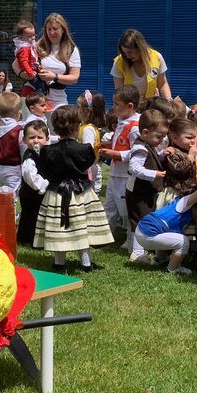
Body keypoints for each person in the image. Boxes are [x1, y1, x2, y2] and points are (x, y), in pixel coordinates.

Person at [33, 105, 114, 271]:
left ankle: (59, 263)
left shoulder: (47, 151)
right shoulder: (85, 149)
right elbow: (88, 164)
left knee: (59, 228)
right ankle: (86, 263)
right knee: (82, 227)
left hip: (56, 194)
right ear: (77, 126)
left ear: (54, 127)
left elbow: (43, 170)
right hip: (81, 193)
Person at [135, 154, 197, 275]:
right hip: (147, 233)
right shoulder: (183, 204)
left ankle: (159, 259)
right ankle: (172, 269)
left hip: (144, 230)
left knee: (169, 235)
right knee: (183, 242)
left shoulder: (183, 213)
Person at [98, 85, 140, 243]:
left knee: (125, 210)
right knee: (109, 206)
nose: (113, 107)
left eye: (116, 104)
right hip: (115, 174)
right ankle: (104, 237)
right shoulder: (123, 121)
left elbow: (138, 152)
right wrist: (108, 146)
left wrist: (114, 154)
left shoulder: (135, 127)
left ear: (129, 106)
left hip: (126, 175)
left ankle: (131, 240)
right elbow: (122, 143)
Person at [125, 110, 169, 263]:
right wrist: (154, 174)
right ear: (145, 132)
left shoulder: (148, 145)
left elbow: (153, 157)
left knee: (140, 218)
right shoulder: (141, 148)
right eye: (159, 136)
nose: (161, 139)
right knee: (140, 220)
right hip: (138, 192)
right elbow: (134, 168)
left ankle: (135, 249)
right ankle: (137, 253)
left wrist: (162, 153)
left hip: (143, 191)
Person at [17, 12, 81, 110]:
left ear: (63, 30)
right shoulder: (36, 46)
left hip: (58, 98)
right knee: (32, 125)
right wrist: (24, 74)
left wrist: (54, 76)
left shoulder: (71, 49)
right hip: (33, 98)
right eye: (49, 29)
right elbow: (15, 65)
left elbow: (74, 78)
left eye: (55, 29)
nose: (51, 32)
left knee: (62, 122)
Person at [111, 29, 172, 100]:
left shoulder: (157, 57)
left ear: (140, 48)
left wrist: (169, 101)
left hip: (151, 105)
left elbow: (163, 84)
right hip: (130, 106)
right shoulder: (118, 63)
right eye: (124, 52)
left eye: (130, 52)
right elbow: (119, 92)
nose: (127, 56)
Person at [0, 92, 24, 196]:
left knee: (2, 195)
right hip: (13, 169)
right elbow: (23, 151)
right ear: (19, 113)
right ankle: (10, 213)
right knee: (12, 197)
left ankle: (2, 210)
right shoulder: (19, 131)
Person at [17, 120, 50, 245]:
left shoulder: (43, 152)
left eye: (39, 137)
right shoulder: (29, 158)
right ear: (24, 140)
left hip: (38, 193)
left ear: (46, 139)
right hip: (31, 193)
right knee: (30, 216)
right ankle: (28, 239)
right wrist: (44, 185)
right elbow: (31, 176)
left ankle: (32, 237)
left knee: (38, 215)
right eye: (31, 137)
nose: (36, 140)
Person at [77, 91, 106, 194]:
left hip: (88, 167)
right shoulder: (83, 126)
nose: (77, 110)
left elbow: (87, 150)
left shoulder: (88, 129)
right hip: (87, 166)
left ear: (87, 111)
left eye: (78, 107)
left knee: (88, 194)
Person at [12, 20, 48, 97]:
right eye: (29, 36)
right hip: (32, 74)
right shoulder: (25, 48)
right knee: (40, 88)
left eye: (34, 35)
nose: (33, 38)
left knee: (41, 87)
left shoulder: (30, 46)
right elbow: (20, 62)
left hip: (34, 72)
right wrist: (28, 73)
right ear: (21, 37)